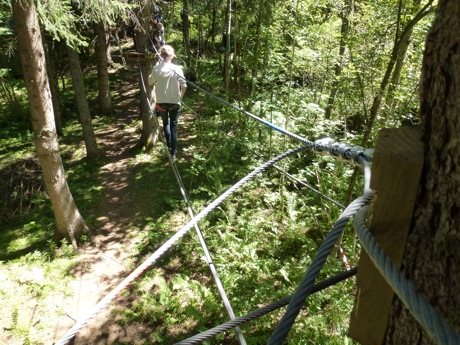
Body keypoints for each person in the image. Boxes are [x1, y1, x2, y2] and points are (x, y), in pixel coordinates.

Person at [148, 45, 187, 159]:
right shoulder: (177, 68)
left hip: (161, 103)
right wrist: (180, 97)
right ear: (171, 56)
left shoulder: (156, 69)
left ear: (161, 55)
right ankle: (173, 153)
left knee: (166, 124)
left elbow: (150, 82)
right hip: (174, 102)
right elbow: (184, 85)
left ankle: (169, 147)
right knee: (174, 126)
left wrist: (155, 69)